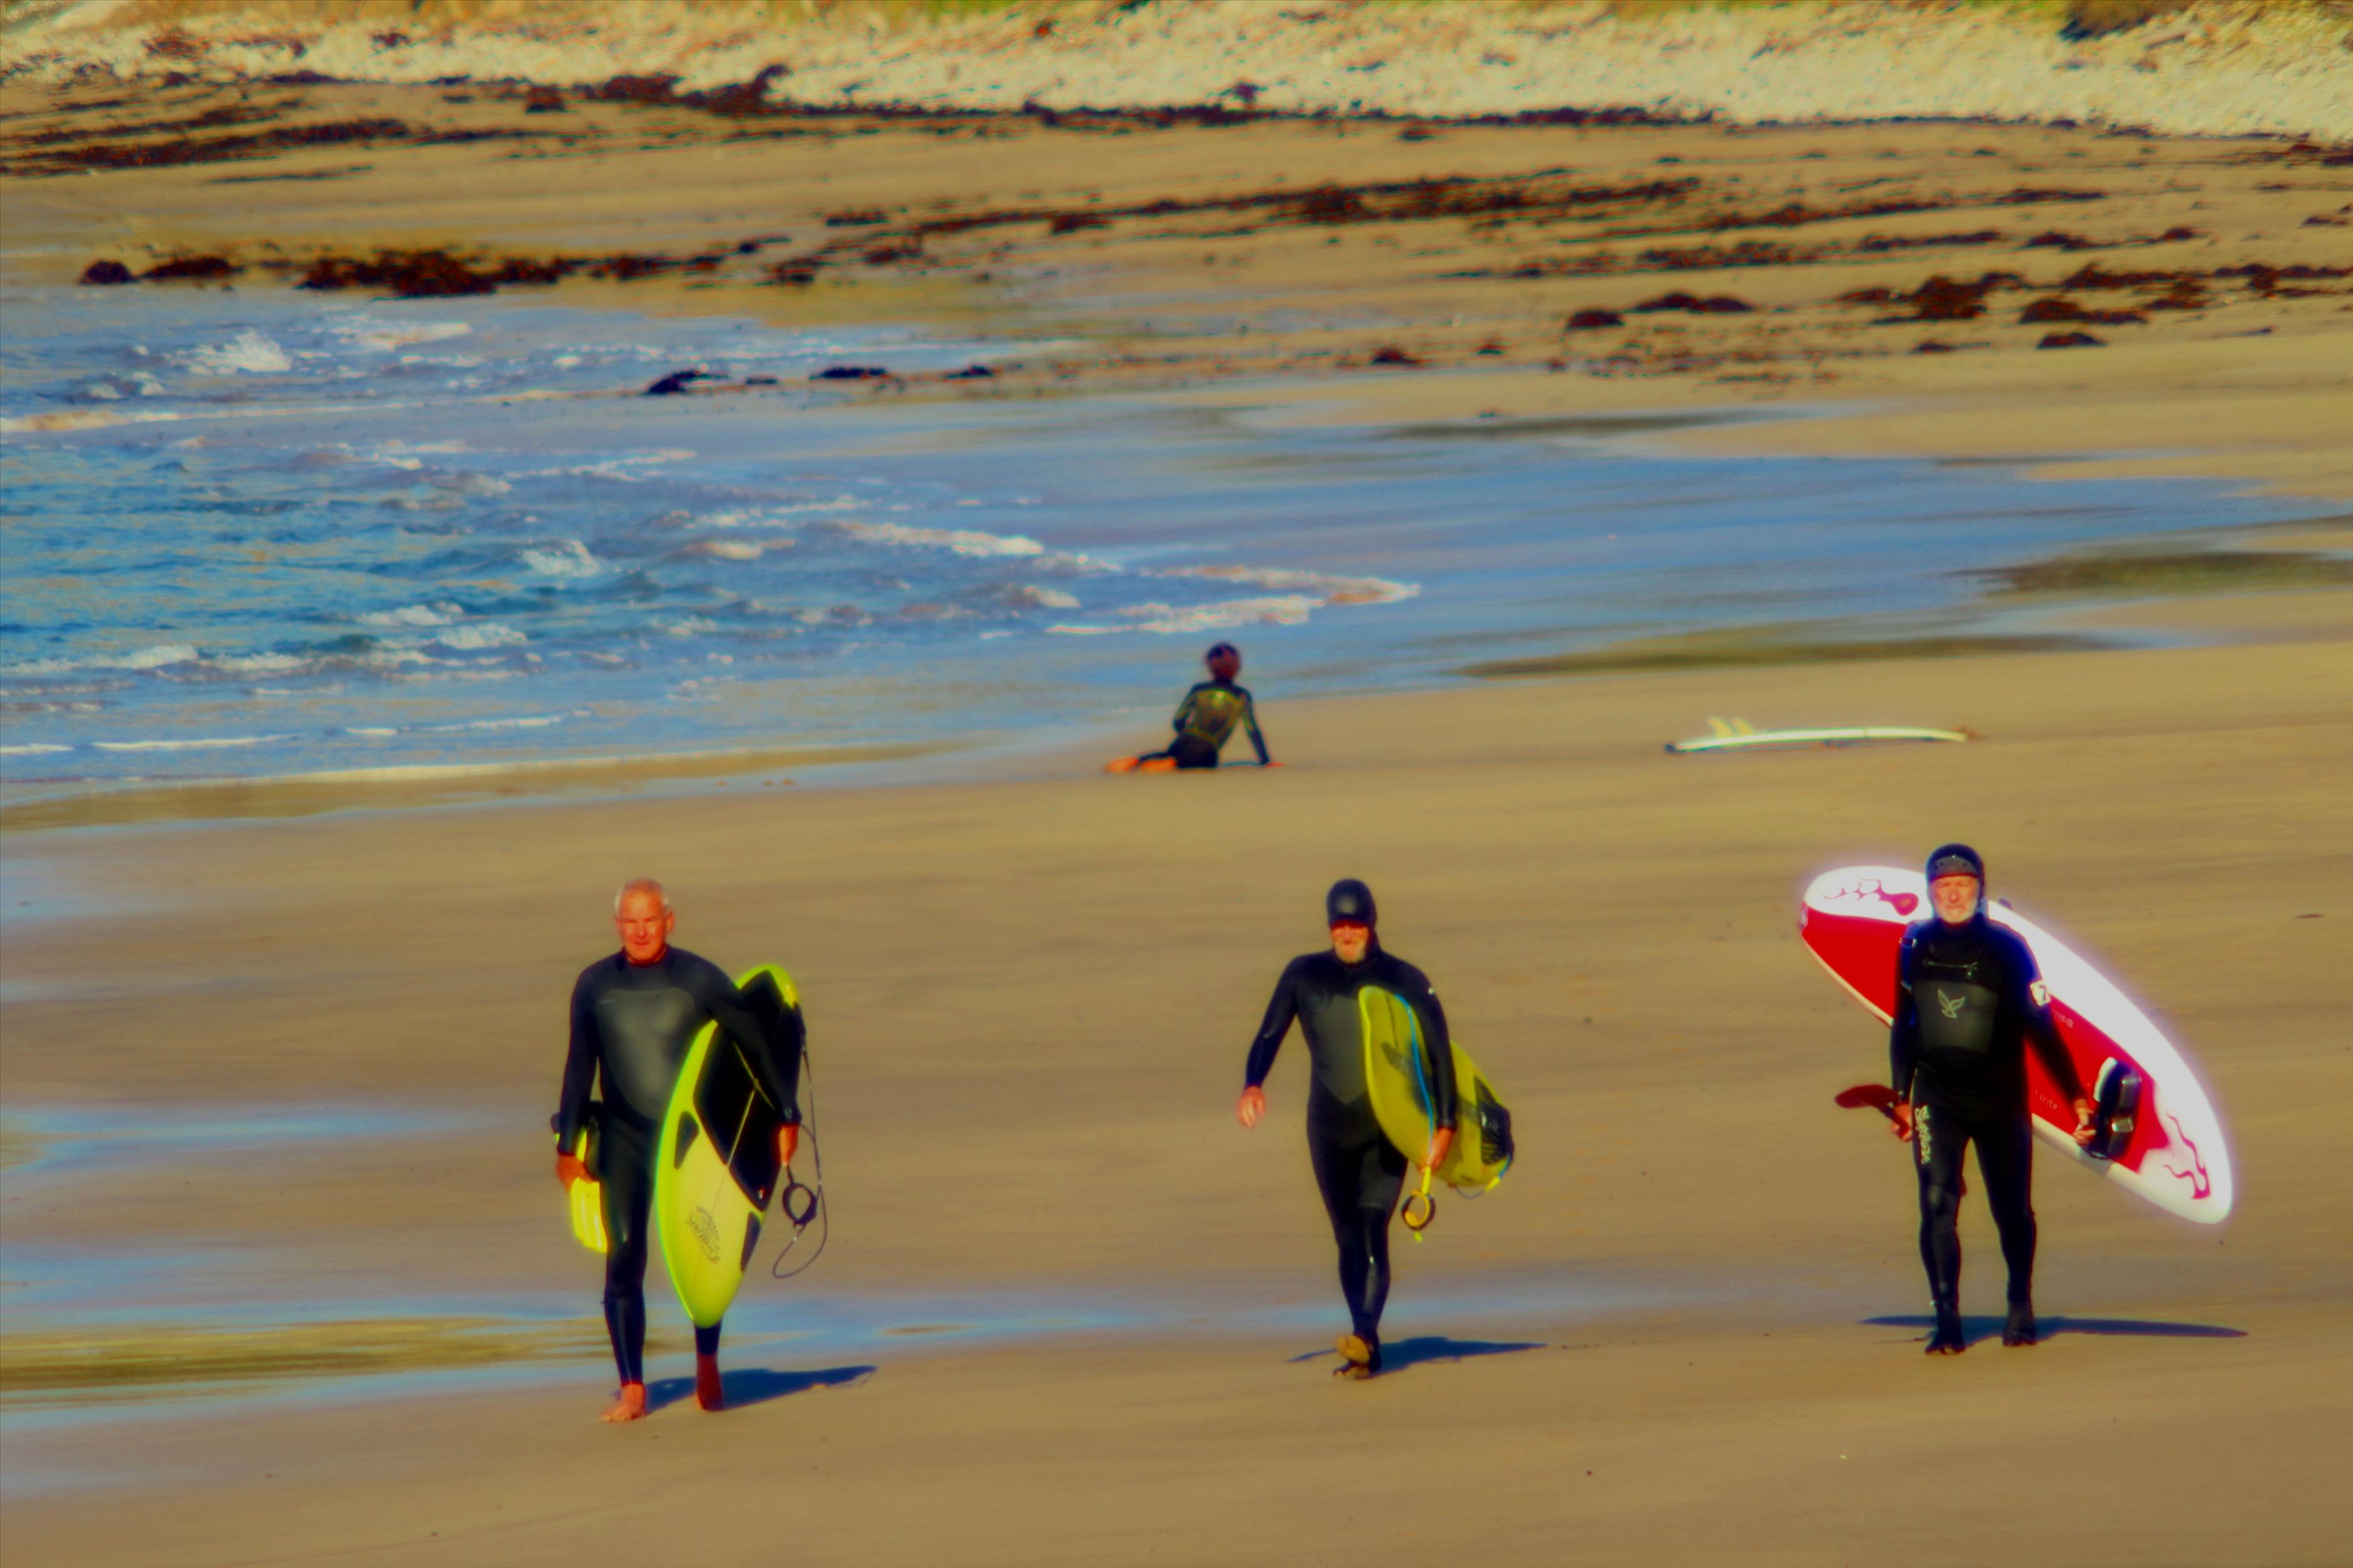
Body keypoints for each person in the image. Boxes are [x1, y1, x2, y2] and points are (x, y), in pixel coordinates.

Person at [555, 879, 802, 1420]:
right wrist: (568, 1145)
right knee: (623, 1256)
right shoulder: (594, 985)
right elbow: (578, 1066)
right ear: (617, 925)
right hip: (624, 1137)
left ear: (669, 920)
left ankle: (707, 1363)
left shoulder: (699, 979)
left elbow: (755, 1046)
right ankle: (632, 1388)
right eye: (630, 921)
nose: (640, 931)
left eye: (649, 920)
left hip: (690, 1141)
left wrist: (788, 1114)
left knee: (703, 1250)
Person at [1235, 879, 1455, 1379]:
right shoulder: (1303, 975)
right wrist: (1253, 1084)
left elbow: (1440, 1055)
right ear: (1329, 927)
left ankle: (1364, 1336)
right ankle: (1364, 1343)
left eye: (1355, 924)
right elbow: (1268, 1034)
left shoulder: (1404, 980)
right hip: (1327, 1128)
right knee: (1346, 1237)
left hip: (1386, 1129)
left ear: (1371, 925)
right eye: (1339, 925)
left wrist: (1444, 1127)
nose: (1347, 933)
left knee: (1373, 1227)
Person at [1887, 845, 2096, 1354]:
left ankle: (2019, 1302)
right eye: (1943, 886)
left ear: (1979, 889)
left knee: (2011, 1209)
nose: (1952, 894)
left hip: (2000, 1095)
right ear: (1930, 892)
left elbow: (2040, 1028)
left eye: (1962, 885)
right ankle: (1947, 1320)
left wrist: (2074, 1096)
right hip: (1936, 1093)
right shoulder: (1913, 944)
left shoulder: (2008, 948)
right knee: (1936, 1202)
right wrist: (1899, 1095)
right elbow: (1904, 1023)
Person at [1112, 643, 1272, 771]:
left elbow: (1178, 721)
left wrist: (1189, 737)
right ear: (1237, 667)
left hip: (1182, 742)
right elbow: (1252, 729)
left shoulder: (1198, 689)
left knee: (1169, 754)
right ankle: (1170, 764)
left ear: (1209, 665)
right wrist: (1265, 761)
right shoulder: (1242, 695)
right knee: (1182, 762)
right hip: (1207, 752)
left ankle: (1135, 760)